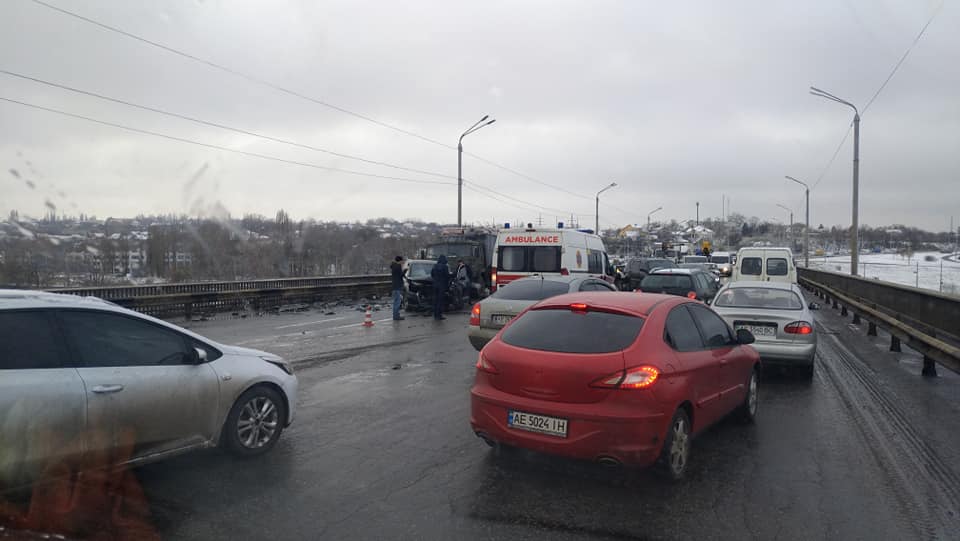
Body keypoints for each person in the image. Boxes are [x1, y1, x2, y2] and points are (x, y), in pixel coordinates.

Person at [430, 255, 450, 320]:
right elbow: (447, 276)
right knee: (440, 301)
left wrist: (435, 280)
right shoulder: (445, 267)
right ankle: (439, 315)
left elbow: (432, 274)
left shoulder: (435, 266)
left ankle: (435, 315)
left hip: (435, 285)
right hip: (442, 286)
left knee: (435, 300)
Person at [390, 255, 406, 321]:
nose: (402, 262)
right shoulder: (398, 266)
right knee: (398, 302)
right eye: (402, 261)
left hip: (394, 286)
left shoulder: (393, 266)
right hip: (397, 286)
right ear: (399, 261)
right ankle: (396, 316)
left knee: (396, 301)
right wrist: (405, 271)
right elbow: (400, 275)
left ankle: (396, 315)